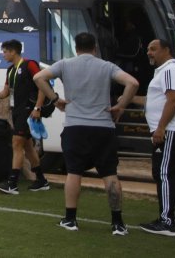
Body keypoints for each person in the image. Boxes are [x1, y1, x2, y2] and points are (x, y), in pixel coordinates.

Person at [34, 32, 139, 236]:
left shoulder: (65, 64)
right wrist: (121, 106)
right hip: (103, 127)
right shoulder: (106, 66)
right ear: (95, 48)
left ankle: (71, 219)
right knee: (110, 174)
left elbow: (39, 77)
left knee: (74, 173)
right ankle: (117, 223)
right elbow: (132, 83)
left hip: (75, 126)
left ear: (76, 47)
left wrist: (55, 99)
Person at [133, 39, 175, 237]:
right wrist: (126, 98)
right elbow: (157, 99)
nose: (149, 53)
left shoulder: (170, 70)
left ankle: (167, 221)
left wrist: (161, 128)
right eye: (148, 49)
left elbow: (173, 99)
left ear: (166, 50)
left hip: (172, 131)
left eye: (153, 49)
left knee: (164, 173)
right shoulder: (164, 72)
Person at [0, 39, 49, 195]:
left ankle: (12, 183)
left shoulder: (30, 65)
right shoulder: (10, 70)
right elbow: (7, 91)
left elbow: (42, 85)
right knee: (28, 147)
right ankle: (41, 180)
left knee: (16, 143)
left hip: (28, 111)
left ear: (13, 51)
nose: (3, 55)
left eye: (4, 52)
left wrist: (37, 107)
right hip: (16, 111)